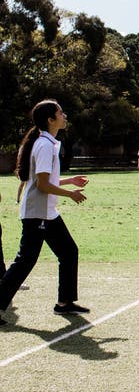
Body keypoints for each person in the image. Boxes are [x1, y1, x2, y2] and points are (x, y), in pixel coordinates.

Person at [0, 100, 89, 324]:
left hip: (47, 212)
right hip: (37, 213)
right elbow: (41, 185)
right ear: (50, 120)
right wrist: (71, 194)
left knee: (69, 252)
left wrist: (69, 181)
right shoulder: (45, 145)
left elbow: (45, 179)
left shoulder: (47, 142)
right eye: (61, 113)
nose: (64, 115)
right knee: (25, 261)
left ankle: (64, 303)